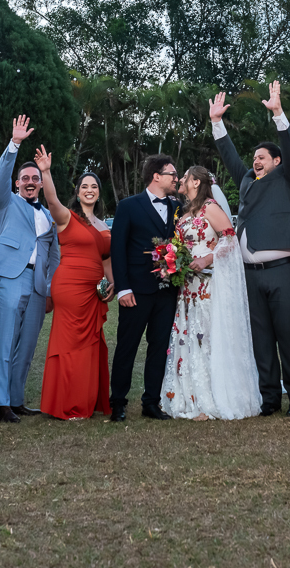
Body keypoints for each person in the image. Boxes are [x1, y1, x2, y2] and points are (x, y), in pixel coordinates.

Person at [209, 81, 290, 417]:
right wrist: (217, 123)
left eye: (262, 157)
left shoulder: (289, 180)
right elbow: (230, 156)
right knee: (261, 340)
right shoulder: (247, 181)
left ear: (276, 161)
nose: (255, 161)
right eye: (254, 158)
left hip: (283, 273)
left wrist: (279, 115)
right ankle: (269, 400)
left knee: (288, 337)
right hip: (250, 275)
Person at [160, 166, 262, 421]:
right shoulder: (184, 214)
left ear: (196, 182)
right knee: (188, 334)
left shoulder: (210, 207)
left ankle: (210, 398)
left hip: (207, 282)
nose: (181, 180)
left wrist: (207, 259)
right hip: (187, 284)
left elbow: (229, 240)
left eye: (185, 177)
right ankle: (189, 395)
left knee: (206, 334)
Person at [0, 115, 60, 423]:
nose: (29, 182)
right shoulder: (5, 202)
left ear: (41, 183)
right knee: (6, 340)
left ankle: (16, 399)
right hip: (11, 276)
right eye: (24, 179)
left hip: (39, 284)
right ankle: (1, 403)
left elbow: (54, 255)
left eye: (34, 179)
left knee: (27, 345)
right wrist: (14, 144)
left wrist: (52, 285)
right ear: (18, 183)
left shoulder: (50, 215)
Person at [33, 145, 115, 420]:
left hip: (94, 293)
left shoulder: (104, 226)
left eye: (94, 186)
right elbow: (52, 200)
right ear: (78, 191)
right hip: (68, 287)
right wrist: (45, 171)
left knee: (91, 346)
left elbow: (106, 261)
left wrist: (110, 286)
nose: (89, 189)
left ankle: (85, 401)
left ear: (98, 192)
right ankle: (65, 402)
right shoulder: (67, 217)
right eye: (84, 186)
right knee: (69, 346)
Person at [109, 154, 181, 421]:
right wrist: (123, 289)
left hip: (166, 291)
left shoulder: (177, 207)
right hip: (136, 291)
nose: (176, 178)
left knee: (159, 346)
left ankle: (152, 401)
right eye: (172, 174)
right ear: (156, 176)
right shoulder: (128, 206)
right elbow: (117, 249)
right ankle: (118, 401)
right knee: (127, 346)